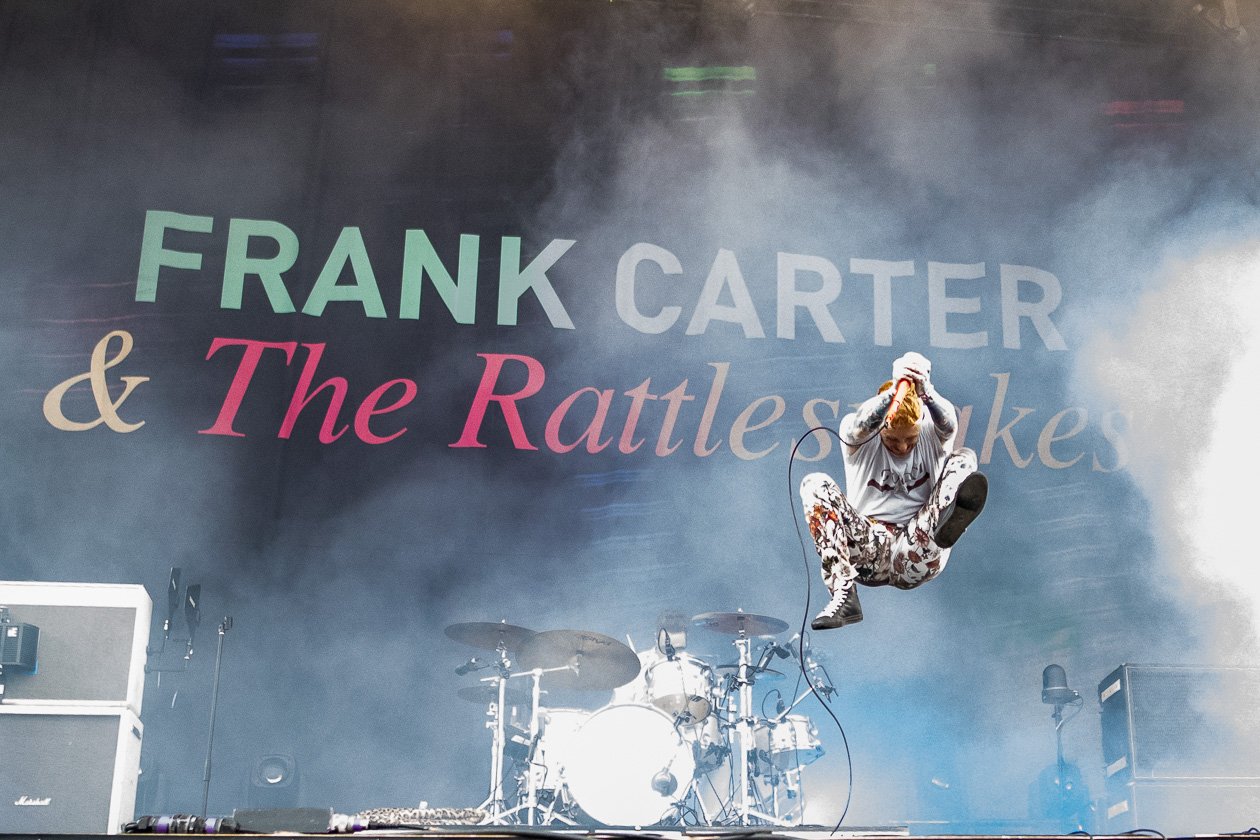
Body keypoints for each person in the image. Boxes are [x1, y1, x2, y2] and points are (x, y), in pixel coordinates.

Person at [800, 352, 988, 630]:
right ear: (882, 429)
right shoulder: (858, 439)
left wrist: (926, 390)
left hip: (916, 547)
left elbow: (949, 423)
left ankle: (947, 523)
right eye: (893, 441)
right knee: (813, 484)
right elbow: (859, 424)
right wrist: (893, 392)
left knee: (964, 459)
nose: (902, 448)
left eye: (910, 440)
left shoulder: (932, 435)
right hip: (869, 551)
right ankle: (843, 594)